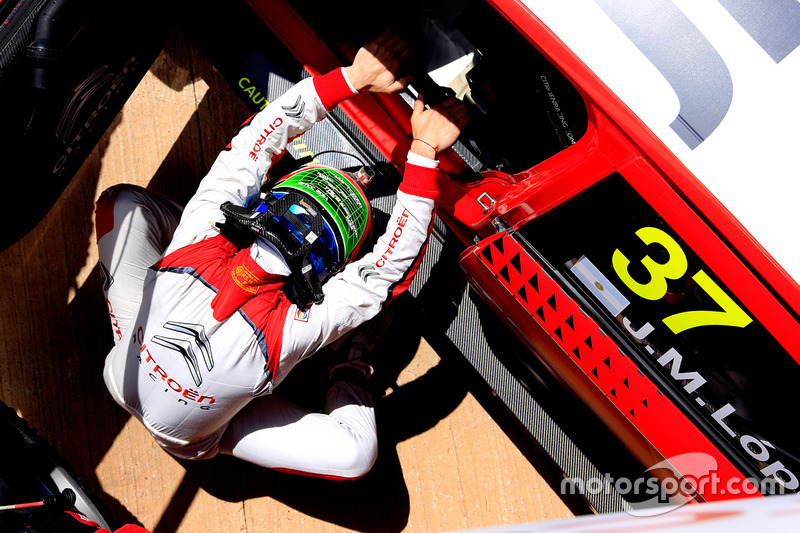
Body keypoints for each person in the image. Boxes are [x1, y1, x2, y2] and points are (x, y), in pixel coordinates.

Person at [95, 31, 469, 480]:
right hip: (196, 439)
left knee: (119, 204)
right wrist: (423, 153)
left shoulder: (199, 238)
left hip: (122, 373)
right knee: (355, 457)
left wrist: (355, 76)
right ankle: (350, 361)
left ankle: (137, 334)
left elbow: (256, 139)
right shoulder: (289, 332)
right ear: (334, 269)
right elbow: (389, 268)